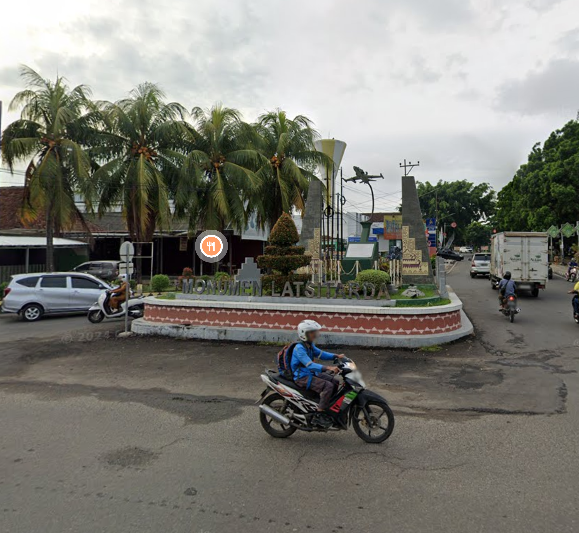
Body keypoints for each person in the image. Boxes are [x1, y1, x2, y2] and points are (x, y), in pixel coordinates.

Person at [292, 320, 345, 428]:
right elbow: (310, 365)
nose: (315, 334)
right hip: (302, 377)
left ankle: (327, 407)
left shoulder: (309, 345)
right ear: (304, 334)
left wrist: (336, 356)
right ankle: (318, 415)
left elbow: (321, 354)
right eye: (312, 332)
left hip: (309, 373)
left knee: (335, 381)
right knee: (328, 386)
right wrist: (328, 368)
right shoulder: (299, 348)